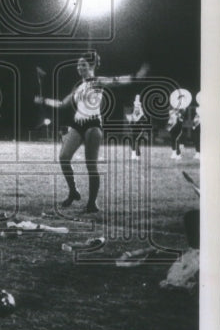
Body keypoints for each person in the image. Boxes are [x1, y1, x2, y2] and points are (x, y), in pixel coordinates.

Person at [35, 51, 148, 214]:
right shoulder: (78, 87)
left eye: (83, 64)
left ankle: (92, 203)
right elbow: (61, 103)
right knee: (63, 157)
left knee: (91, 165)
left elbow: (116, 80)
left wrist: (136, 76)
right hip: (77, 124)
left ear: (92, 65)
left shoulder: (97, 81)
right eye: (78, 64)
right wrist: (44, 100)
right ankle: (73, 191)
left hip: (93, 124)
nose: (79, 67)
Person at [126, 93, 150, 159]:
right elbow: (130, 121)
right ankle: (134, 154)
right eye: (135, 106)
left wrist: (139, 117)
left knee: (136, 140)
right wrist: (130, 120)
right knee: (132, 141)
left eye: (138, 106)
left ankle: (138, 154)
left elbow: (144, 120)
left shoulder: (142, 114)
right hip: (133, 128)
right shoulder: (133, 112)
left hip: (139, 128)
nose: (136, 107)